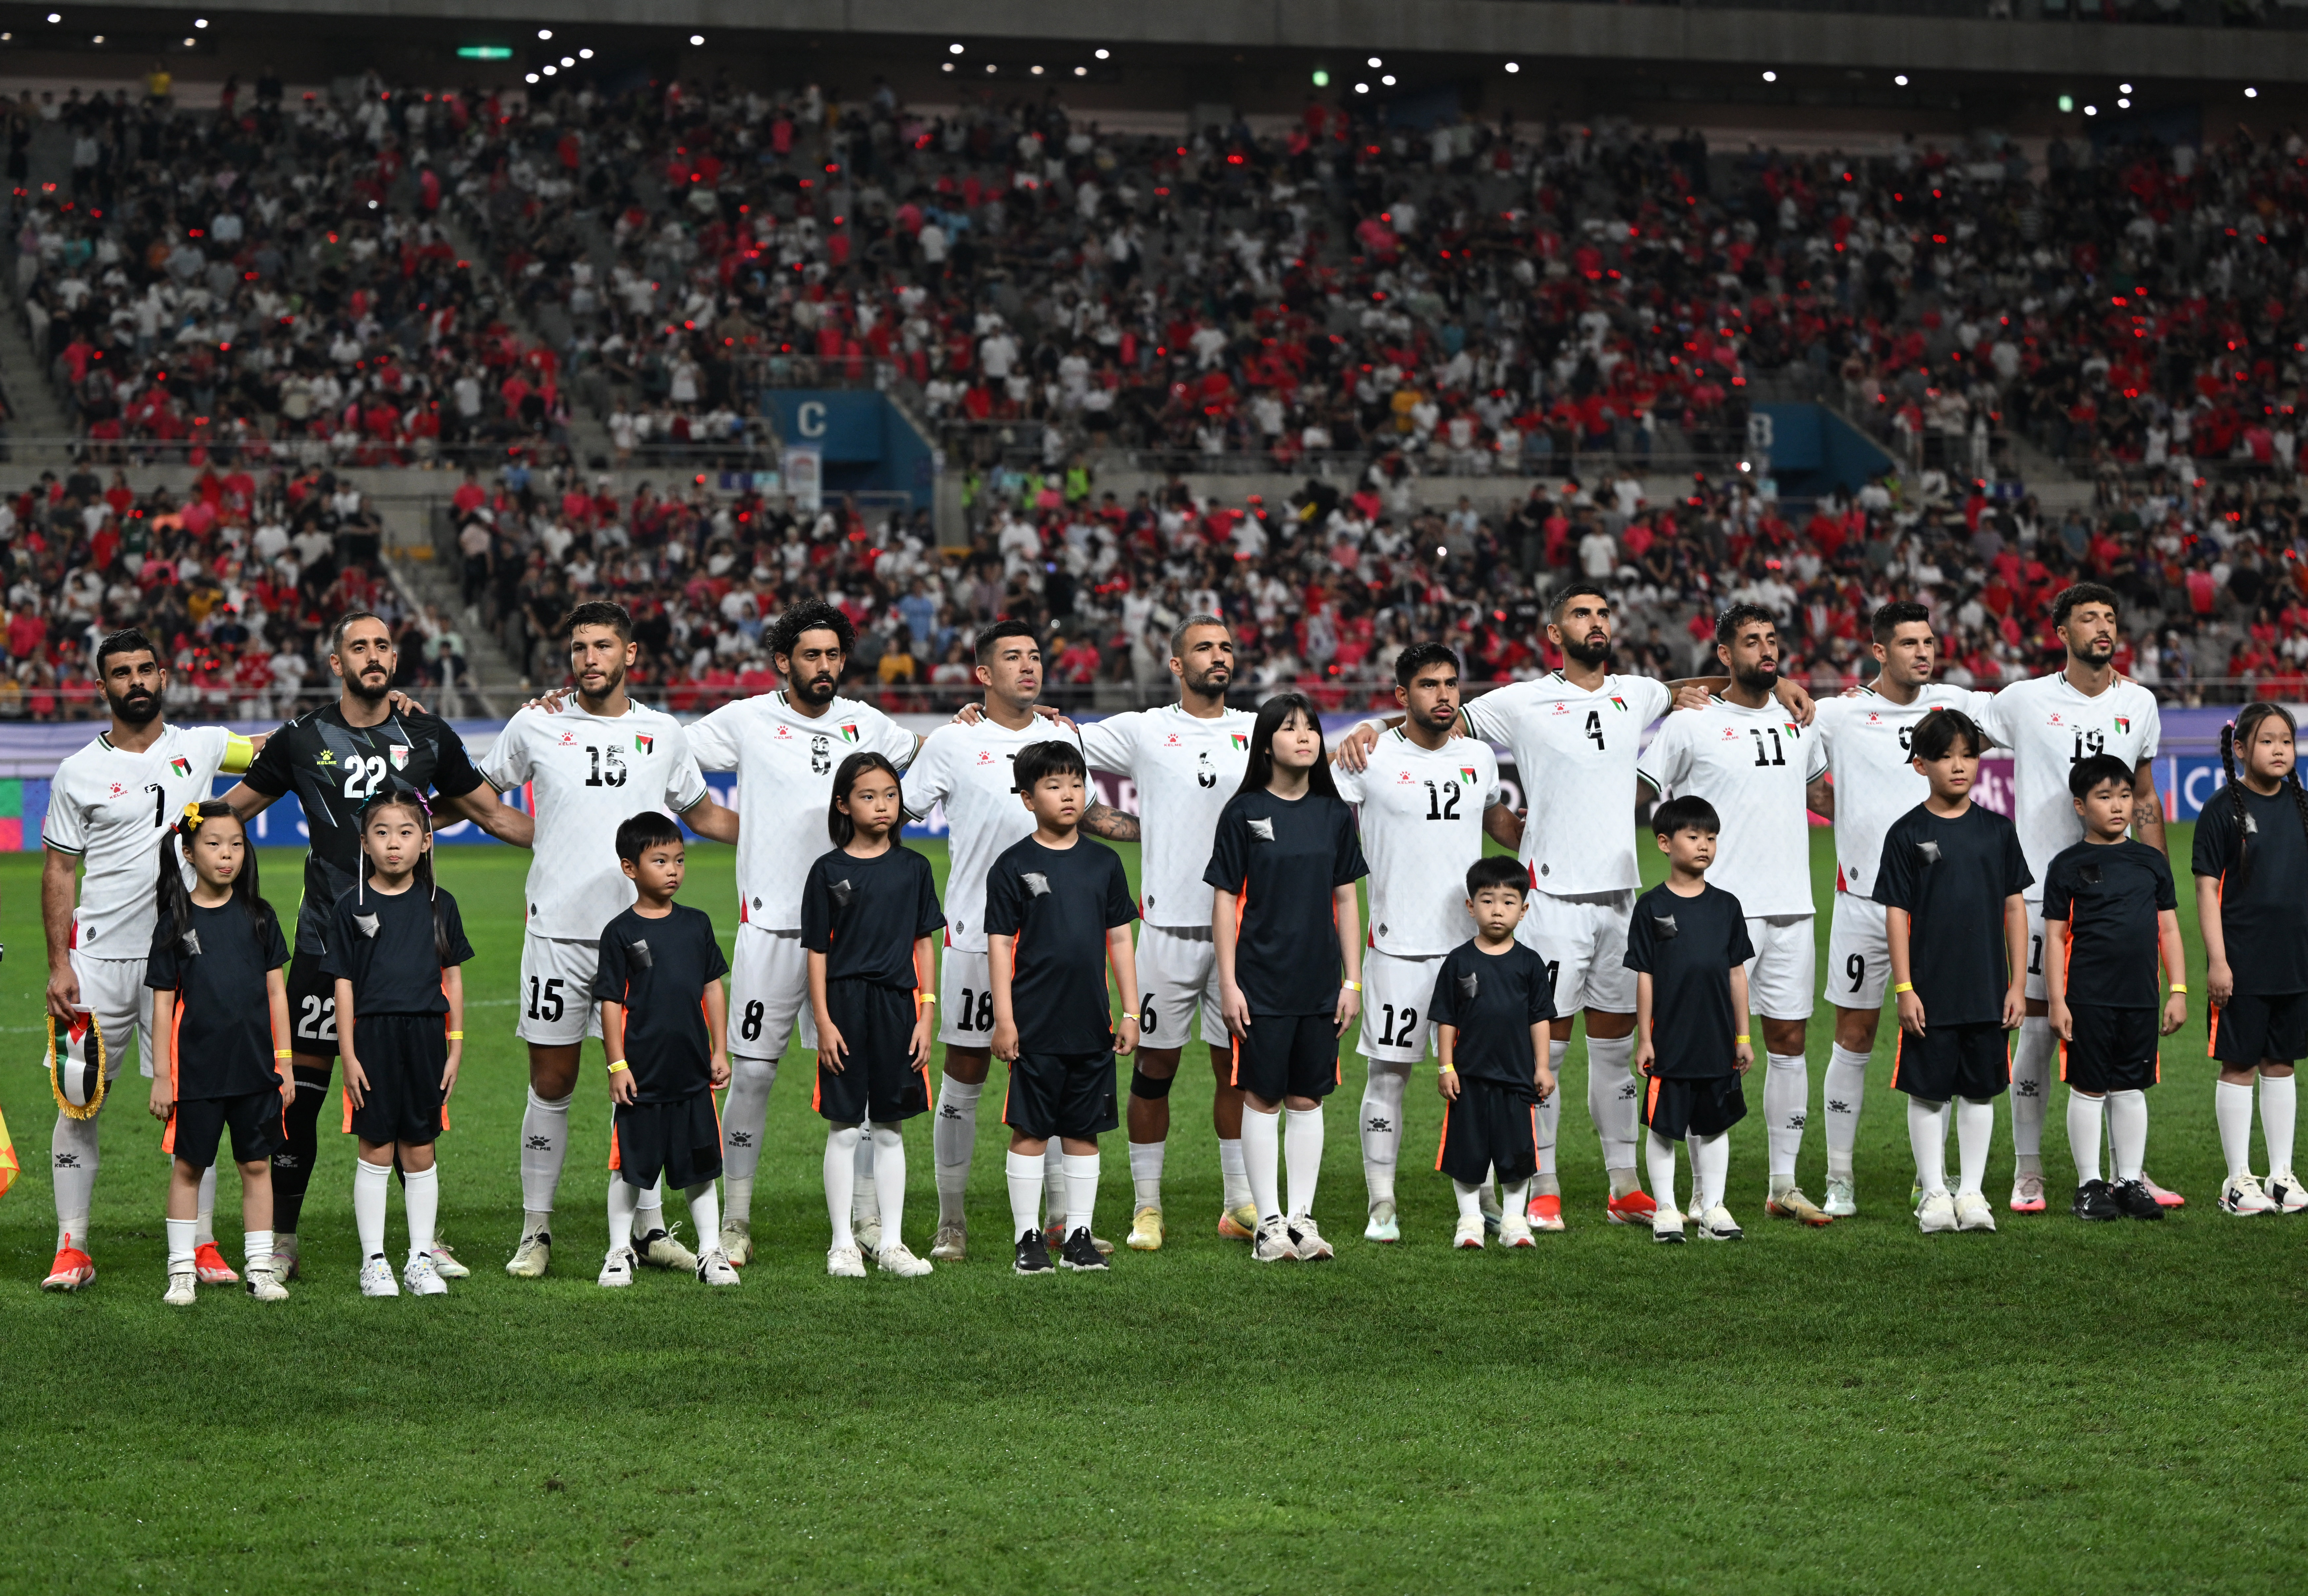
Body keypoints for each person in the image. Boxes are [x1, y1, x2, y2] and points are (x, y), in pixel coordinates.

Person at [1334, 584, 1809, 1227]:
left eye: (1603, 613)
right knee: (1547, 1050)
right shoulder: (1518, 702)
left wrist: (1777, 687)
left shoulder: (1636, 691)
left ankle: (1621, 1186)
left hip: (1617, 898)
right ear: (1554, 633)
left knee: (1615, 1048)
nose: (1596, 622)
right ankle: (1545, 1185)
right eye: (1581, 614)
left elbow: (1699, 683)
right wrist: (1372, 728)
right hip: (1549, 901)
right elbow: (1437, 718)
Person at [224, 610, 527, 1282]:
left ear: (396, 656)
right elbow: (233, 811)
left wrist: (569, 843)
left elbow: (492, 812)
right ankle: (283, 1237)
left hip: (408, 953)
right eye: (357, 646)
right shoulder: (301, 739)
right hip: (323, 946)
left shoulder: (427, 735)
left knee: (406, 1095)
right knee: (298, 1096)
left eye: (382, 645)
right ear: (336, 663)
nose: (372, 655)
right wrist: (167, 829)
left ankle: (422, 1243)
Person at [480, 600, 736, 1281]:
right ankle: (537, 1230)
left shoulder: (663, 732)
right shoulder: (535, 722)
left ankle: (649, 1231)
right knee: (553, 1081)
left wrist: (783, 834)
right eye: (578, 649)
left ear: (630, 656)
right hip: (559, 936)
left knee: (647, 1084)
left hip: (643, 943)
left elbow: (702, 811)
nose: (588, 659)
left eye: (601, 646)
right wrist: (538, 839)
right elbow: (482, 795)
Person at [683, 599, 920, 1265]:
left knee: (863, 1079)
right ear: (783, 661)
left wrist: (975, 726)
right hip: (772, 932)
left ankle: (869, 1219)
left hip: (854, 940)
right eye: (810, 656)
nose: (824, 667)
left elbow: (921, 755)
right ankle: (736, 1219)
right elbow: (669, 755)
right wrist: (734, 828)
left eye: (833, 655)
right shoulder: (746, 720)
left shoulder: (865, 723)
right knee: (752, 1078)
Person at [39, 628, 261, 1293]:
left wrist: (367, 714)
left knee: (200, 1099)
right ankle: (71, 1246)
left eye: (145, 669)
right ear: (103, 685)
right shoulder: (78, 771)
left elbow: (278, 754)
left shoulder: (204, 747)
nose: (135, 682)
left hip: (185, 958)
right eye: (121, 673)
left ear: (163, 676)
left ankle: (204, 1245)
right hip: (99, 961)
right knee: (80, 1100)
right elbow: (58, 870)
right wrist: (59, 964)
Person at [1969, 583, 2166, 1212]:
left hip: (2122, 900)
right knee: (2037, 1029)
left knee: (2119, 1028)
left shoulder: (2139, 701)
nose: (2103, 627)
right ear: (2062, 631)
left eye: (2110, 617)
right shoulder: (2025, 700)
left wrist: (2157, 886)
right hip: (2038, 895)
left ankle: (2124, 1173)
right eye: (2089, 618)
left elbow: (2146, 797)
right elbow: (1948, 708)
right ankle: (2030, 1170)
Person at [1636, 604, 1833, 1226]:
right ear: (1724, 654)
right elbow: (1642, 790)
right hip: (1713, 914)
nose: (1765, 649)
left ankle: (1783, 1182)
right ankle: (1702, 1195)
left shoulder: (1801, 720)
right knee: (1705, 1050)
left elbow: (1821, 796)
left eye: (1772, 639)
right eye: (1751, 641)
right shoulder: (1691, 723)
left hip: (1793, 907)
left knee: (1790, 1042)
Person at [905, 621, 1094, 1260]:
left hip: (1055, 943)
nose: (1029, 665)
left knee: (1061, 1072)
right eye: (1012, 657)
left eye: (1035, 654)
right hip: (972, 936)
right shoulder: (954, 742)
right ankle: (951, 1219)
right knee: (965, 1071)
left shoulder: (1062, 733)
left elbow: (1082, 819)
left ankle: (1064, 1222)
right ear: (983, 675)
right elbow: (896, 811)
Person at [1074, 615, 1259, 1244]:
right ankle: (1147, 1207)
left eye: (1226, 646)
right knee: (1155, 1069)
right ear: (1177, 665)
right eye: (1204, 647)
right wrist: (1127, 825)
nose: (1218, 656)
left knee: (1238, 1070)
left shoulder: (1259, 731)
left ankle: (1240, 1203)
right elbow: (1058, 749)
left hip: (1243, 931)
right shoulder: (1145, 729)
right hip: (1167, 933)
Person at [1805, 600, 1980, 1216]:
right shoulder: (1838, 713)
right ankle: (1839, 1174)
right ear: (1879, 650)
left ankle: (1932, 1172)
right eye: (1909, 642)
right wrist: (1842, 807)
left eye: (1929, 640)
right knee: (1852, 1036)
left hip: (1938, 909)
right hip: (1861, 903)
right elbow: (1791, 756)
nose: (1923, 651)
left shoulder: (1959, 705)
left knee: (1943, 1033)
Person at [1330, 642, 1503, 1242]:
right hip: (1398, 945)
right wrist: (1366, 727)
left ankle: (1481, 1193)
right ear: (1401, 695)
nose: (1445, 694)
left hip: (1471, 948)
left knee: (1478, 1076)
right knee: (1388, 1076)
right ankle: (1382, 1201)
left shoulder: (1481, 756)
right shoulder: (1366, 757)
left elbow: (1497, 823)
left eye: (1452, 682)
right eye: (1429, 684)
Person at [1207, 692, 1369, 1264]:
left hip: (1320, 981)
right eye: (1290, 727)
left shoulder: (1333, 812)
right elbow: (1225, 901)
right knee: (1263, 1095)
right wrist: (1228, 982)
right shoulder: (1244, 810)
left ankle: (1302, 1218)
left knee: (1308, 1097)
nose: (1304, 737)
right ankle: (1266, 1223)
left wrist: (1352, 981)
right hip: (1260, 982)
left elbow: (1347, 898)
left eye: (1311, 728)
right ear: (1266, 741)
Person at [984, 740, 1141, 1275]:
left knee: (1083, 1129)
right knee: (1029, 1129)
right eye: (1054, 785)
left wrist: (1129, 1011)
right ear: (1028, 798)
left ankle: (1079, 1234)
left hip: (1090, 1021)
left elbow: (1119, 939)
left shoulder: (1104, 861)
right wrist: (1005, 1020)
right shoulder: (1013, 864)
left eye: (1076, 782)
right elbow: (1001, 944)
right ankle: (1027, 1236)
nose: (1069, 793)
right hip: (1033, 1023)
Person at [1873, 710, 2032, 1235]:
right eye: (1945, 757)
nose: (1959, 766)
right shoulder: (1906, 833)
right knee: (1928, 1091)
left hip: (1987, 986)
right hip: (1930, 989)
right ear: (1921, 766)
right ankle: (1934, 1192)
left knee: (1981, 1090)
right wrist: (1904, 987)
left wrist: (2016, 984)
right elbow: (1896, 912)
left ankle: (1972, 1192)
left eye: (1968, 755)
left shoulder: (1998, 830)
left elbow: (2015, 907)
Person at [323, 792, 472, 1297]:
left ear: (426, 842)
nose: (394, 844)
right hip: (373, 1040)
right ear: (364, 842)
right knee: (377, 1149)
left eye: (406, 833)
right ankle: (375, 1261)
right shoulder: (350, 907)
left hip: (428, 1038)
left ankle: (420, 1260)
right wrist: (348, 1054)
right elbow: (342, 984)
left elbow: (451, 978)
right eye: (382, 833)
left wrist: (455, 1046)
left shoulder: (442, 904)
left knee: (422, 1149)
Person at [803, 752, 945, 1279]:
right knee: (843, 1128)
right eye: (868, 796)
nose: (883, 805)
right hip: (843, 1006)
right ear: (844, 804)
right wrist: (823, 1020)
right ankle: (842, 1244)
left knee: (889, 1128)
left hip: (898, 1007)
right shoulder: (828, 871)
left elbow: (924, 945)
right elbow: (817, 951)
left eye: (890, 794)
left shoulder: (914, 868)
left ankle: (891, 1243)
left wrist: (926, 1014)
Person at [144, 802, 292, 1304]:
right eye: (213, 844)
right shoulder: (173, 922)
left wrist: (285, 1062)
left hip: (255, 1070)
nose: (226, 854)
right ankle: (181, 1271)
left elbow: (277, 995)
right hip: (198, 1075)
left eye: (235, 844)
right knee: (189, 1168)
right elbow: (162, 1009)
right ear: (189, 852)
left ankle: (260, 1269)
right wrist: (163, 1077)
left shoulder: (261, 917)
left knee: (257, 1167)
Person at [593, 811, 740, 1287]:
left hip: (693, 1072)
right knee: (630, 1167)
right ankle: (619, 1252)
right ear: (630, 868)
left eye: (679, 859)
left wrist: (720, 1050)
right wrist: (617, 1064)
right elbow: (611, 1002)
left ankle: (711, 1252)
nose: (674, 869)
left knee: (701, 1166)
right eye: (660, 861)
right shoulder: (619, 932)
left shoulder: (696, 924)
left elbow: (712, 989)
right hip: (643, 1075)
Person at [2043, 755, 2187, 1222]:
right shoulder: (2067, 865)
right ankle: (2089, 1185)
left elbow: (2169, 930)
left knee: (2131, 1088)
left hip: (2141, 997)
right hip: (2087, 998)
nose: (2119, 806)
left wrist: (2180, 989)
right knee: (2088, 1089)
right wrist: (2057, 1000)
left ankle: (2129, 1180)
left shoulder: (2151, 862)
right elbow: (2055, 937)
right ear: (2081, 806)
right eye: (2105, 797)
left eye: (2125, 795)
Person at [2195, 703, 2308, 1215]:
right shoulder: (2223, 810)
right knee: (2239, 1063)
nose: (2280, 749)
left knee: (2282, 1065)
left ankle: (2281, 1174)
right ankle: (2237, 1179)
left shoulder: (2304, 806)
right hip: (2241, 963)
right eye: (2268, 740)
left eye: (2287, 739)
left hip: (2295, 962)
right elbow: (2205, 890)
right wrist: (2218, 962)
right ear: (2240, 749)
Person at [1628, 796, 1755, 1244]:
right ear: (1665, 843)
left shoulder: (1726, 906)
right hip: (1670, 1041)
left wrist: (1742, 1035)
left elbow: (1737, 973)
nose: (1705, 845)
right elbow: (1645, 976)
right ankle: (1666, 1209)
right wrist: (1645, 1038)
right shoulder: (1650, 908)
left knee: (1714, 1123)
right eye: (1694, 836)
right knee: (1665, 1126)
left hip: (1717, 1039)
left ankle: (1713, 1208)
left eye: (1712, 838)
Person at [1430, 855, 1558, 1250]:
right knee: (1467, 1152)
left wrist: (1543, 1068)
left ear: (1523, 909)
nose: (1497, 910)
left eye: (1507, 901)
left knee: (1516, 1153)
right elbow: (1446, 1019)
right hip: (1468, 1078)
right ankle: (1469, 1220)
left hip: (1516, 1078)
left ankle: (1514, 1221)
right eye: (1487, 900)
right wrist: (1446, 1066)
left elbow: (1539, 1019)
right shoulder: (1458, 962)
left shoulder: (1531, 964)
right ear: (1471, 907)